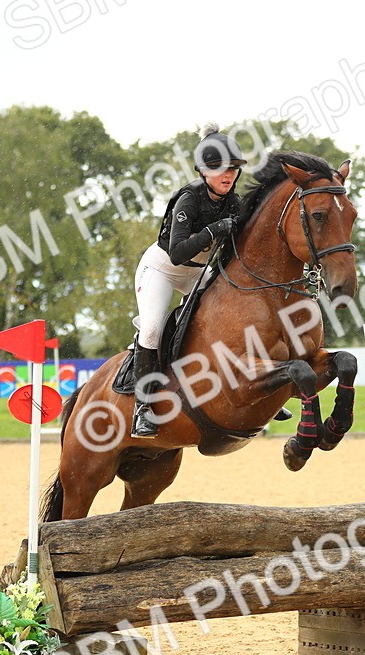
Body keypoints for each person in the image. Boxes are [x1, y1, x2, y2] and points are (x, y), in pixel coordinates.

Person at [130, 123, 246, 438]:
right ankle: (143, 408)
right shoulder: (189, 199)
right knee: (153, 328)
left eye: (234, 169)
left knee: (235, 310)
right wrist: (212, 230)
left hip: (198, 272)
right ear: (205, 170)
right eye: (222, 168)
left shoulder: (233, 202)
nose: (229, 175)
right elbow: (179, 252)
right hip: (162, 269)